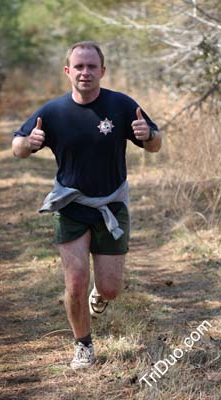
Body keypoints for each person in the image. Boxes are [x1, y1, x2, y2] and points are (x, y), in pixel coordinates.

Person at [12, 41, 162, 370]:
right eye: (78, 66)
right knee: (75, 282)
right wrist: (28, 143)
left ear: (102, 71)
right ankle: (83, 345)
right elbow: (17, 147)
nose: (85, 72)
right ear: (67, 71)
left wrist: (148, 135)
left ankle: (100, 294)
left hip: (111, 203)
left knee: (110, 289)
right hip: (72, 204)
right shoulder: (53, 112)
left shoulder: (121, 105)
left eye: (92, 66)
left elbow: (155, 143)